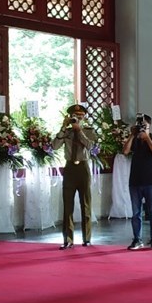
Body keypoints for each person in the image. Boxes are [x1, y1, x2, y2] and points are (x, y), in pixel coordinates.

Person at [52, 104, 98, 249]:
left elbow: (91, 147)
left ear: (84, 117)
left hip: (83, 167)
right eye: (74, 116)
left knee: (85, 204)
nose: (77, 118)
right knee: (68, 205)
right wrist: (63, 128)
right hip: (70, 167)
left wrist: (80, 131)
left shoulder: (89, 131)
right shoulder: (66, 131)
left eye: (80, 116)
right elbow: (54, 146)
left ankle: (87, 238)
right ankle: (68, 239)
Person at [124, 113, 152, 251]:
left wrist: (147, 138)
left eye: (144, 125)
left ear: (149, 126)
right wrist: (132, 135)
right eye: (139, 125)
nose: (141, 127)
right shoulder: (135, 140)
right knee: (136, 213)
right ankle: (137, 239)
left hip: (150, 181)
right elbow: (125, 151)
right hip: (134, 181)